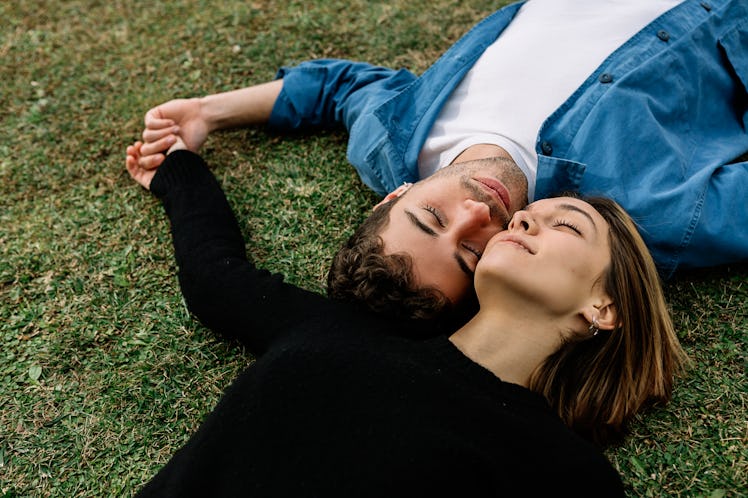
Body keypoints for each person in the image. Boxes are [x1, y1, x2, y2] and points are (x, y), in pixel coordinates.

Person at [126, 139, 685, 496]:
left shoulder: (563, 470)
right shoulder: (347, 327)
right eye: (521, 220)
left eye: (565, 227)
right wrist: (178, 166)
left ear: (603, 306)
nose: (519, 223)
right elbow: (215, 277)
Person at [132, 0, 748, 318]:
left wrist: (209, 113)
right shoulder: (637, 217)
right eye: (474, 253)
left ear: (395, 195)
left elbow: (337, 90)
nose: (478, 214)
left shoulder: (392, 145)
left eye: (432, 217)